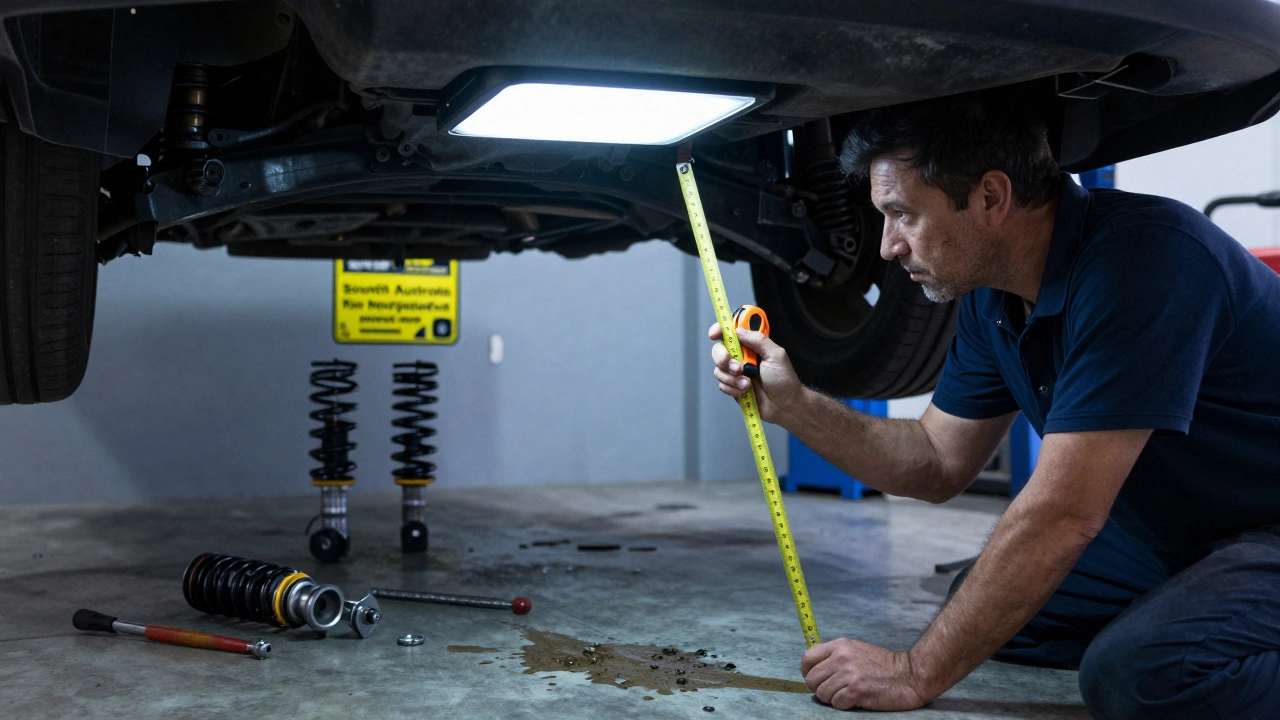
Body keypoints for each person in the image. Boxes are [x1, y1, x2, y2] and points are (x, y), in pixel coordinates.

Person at [709, 94, 1280, 718]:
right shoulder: (995, 297)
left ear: (990, 197)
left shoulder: (1147, 263)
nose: (887, 247)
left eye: (902, 215)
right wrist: (794, 405)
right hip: (1195, 533)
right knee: (1006, 614)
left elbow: (1065, 513)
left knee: (1139, 674)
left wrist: (912, 673)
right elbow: (935, 461)